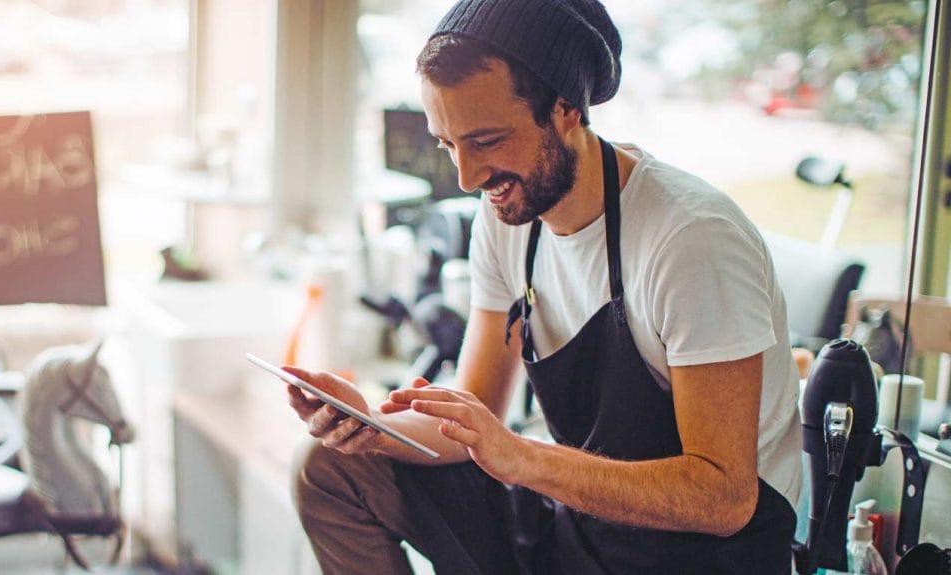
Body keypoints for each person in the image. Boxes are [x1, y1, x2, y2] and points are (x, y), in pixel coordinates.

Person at [286, 0, 802, 573]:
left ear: (566, 109)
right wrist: (374, 429)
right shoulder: (508, 218)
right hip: (578, 526)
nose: (467, 178)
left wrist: (522, 458)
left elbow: (724, 498)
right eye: (448, 145)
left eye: (486, 141)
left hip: (700, 557)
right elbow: (474, 416)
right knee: (332, 470)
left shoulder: (690, 239)